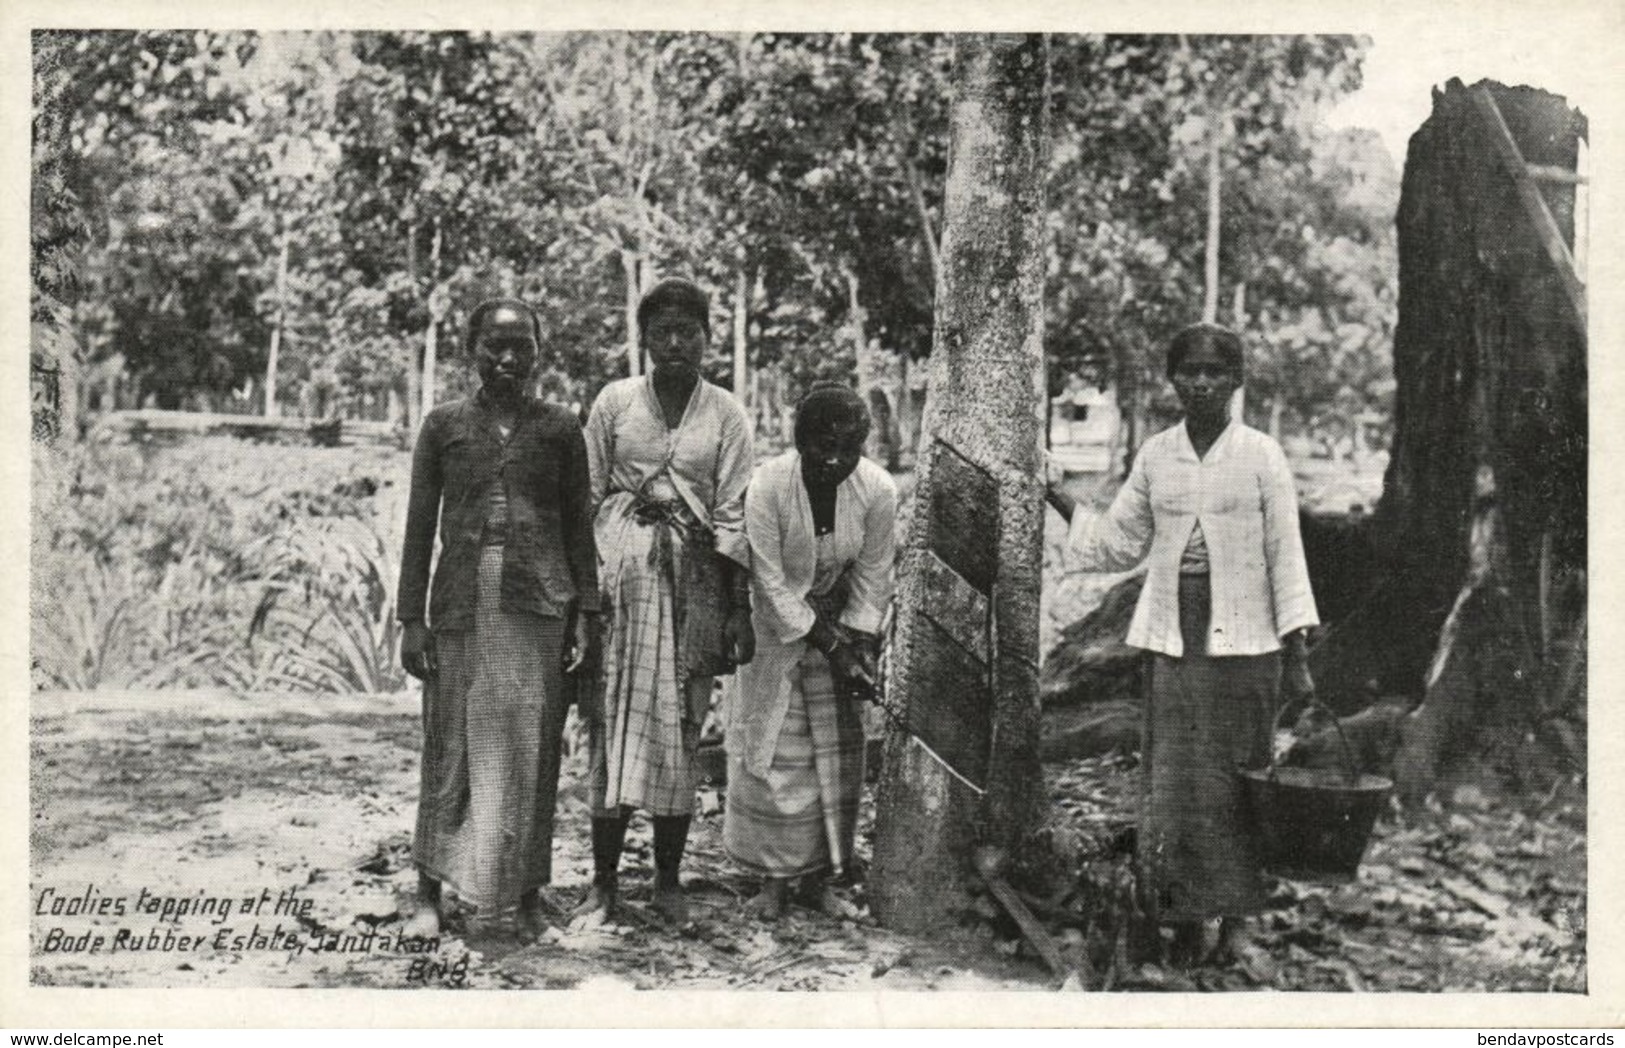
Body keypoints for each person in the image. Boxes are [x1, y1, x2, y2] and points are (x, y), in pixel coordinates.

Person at [1047, 322, 1317, 973]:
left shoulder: (1260, 456)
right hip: (1173, 638)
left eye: (1214, 372)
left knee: (1238, 783)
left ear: (1235, 380)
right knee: (1175, 788)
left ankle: (1234, 927)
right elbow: (1118, 542)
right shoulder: (1156, 455)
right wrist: (1054, 495)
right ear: (1172, 380)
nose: (1200, 383)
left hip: (1248, 643)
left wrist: (1297, 650)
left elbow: (1285, 552)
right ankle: (1182, 917)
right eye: (1188, 371)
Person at [397, 298, 599, 942]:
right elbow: (419, 528)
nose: (508, 359)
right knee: (451, 741)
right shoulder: (442, 426)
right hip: (461, 600)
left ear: (541, 352)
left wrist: (586, 615)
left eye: (522, 347)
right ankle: (429, 888)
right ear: (471, 350)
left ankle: (527, 895)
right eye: (494, 346)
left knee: (531, 747)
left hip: (540, 604)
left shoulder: (562, 429)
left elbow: (578, 525)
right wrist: (411, 618)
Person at [575, 278, 755, 927]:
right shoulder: (615, 401)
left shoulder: (726, 413)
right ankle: (602, 885)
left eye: (689, 331)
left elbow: (736, 512)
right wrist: (580, 601)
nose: (676, 343)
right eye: (663, 332)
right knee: (611, 727)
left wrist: (738, 608)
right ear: (645, 339)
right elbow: (585, 494)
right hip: (617, 583)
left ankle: (668, 881)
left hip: (695, 586)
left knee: (680, 725)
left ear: (708, 337)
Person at [724, 383, 897, 920]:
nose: (834, 458)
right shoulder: (768, 486)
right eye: (822, 444)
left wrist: (860, 644)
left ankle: (821, 879)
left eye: (849, 448)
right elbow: (770, 583)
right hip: (775, 632)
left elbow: (873, 576)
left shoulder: (877, 490)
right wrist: (829, 645)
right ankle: (773, 883)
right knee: (776, 753)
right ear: (798, 439)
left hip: (842, 624)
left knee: (835, 755)